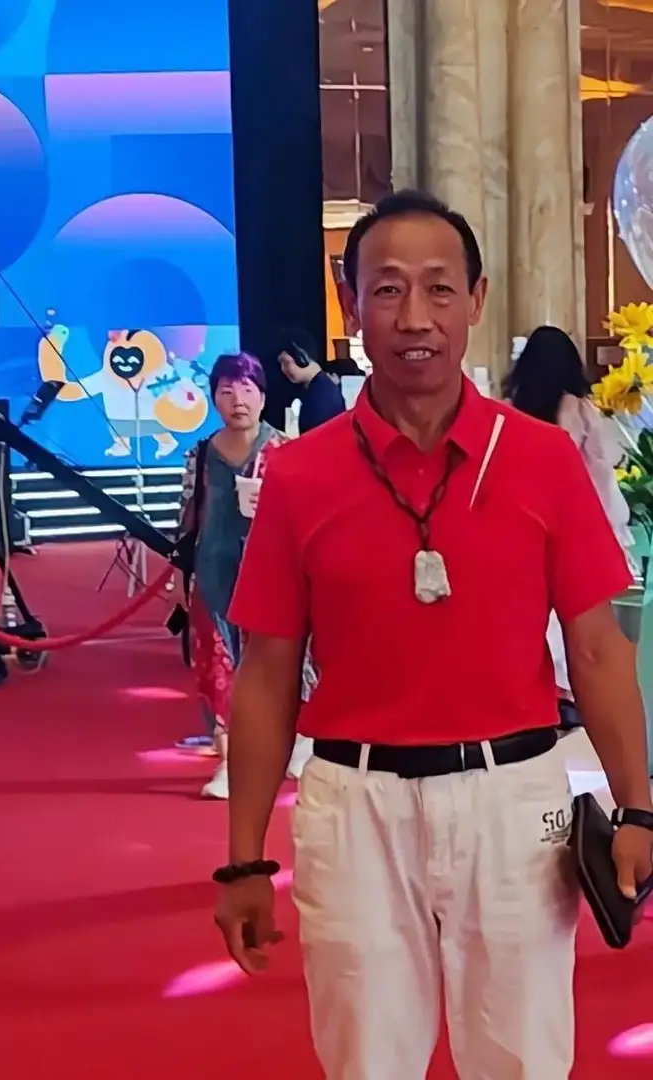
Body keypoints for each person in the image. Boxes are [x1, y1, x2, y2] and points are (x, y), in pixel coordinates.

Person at [214, 190, 653, 1079]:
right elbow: (265, 676)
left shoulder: (542, 460)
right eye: (387, 289)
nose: (415, 317)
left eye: (440, 288)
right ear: (352, 305)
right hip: (355, 806)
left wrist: (638, 807)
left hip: (514, 802)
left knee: (524, 1060)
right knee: (366, 1061)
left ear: (477, 300)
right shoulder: (300, 475)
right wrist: (243, 860)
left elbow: (598, 648)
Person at [171, 352, 311, 799]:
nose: (238, 400)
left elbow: (308, 518)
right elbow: (187, 521)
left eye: (247, 389)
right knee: (218, 668)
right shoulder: (200, 455)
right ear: (213, 398)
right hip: (214, 575)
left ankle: (295, 740)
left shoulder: (286, 451)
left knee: (275, 664)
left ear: (263, 396)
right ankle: (230, 763)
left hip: (272, 576)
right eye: (227, 391)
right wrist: (179, 579)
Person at [507, 325, 637, 705]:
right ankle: (570, 691)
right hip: (575, 518)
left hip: (525, 520)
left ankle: (543, 685)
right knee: (581, 614)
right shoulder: (579, 409)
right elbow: (600, 468)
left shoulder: (511, 409)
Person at [277, 329, 346, 434]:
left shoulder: (320, 396)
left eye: (286, 362)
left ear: (302, 358)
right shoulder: (319, 387)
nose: (283, 369)